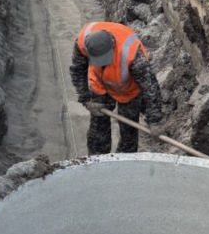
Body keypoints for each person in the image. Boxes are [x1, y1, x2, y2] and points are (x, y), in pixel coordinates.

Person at [70, 21, 163, 154]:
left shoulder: (132, 55)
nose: (102, 64)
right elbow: (77, 69)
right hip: (99, 85)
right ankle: (97, 160)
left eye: (105, 60)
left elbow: (150, 88)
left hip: (128, 89)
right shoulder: (83, 41)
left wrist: (154, 121)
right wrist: (86, 99)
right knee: (98, 130)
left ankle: (125, 160)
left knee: (128, 132)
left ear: (113, 47)